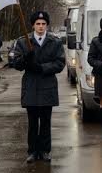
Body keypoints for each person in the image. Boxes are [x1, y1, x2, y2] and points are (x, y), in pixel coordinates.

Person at [13, 11, 65, 163]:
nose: (41, 27)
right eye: (38, 24)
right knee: (32, 121)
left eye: (43, 24)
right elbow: (16, 63)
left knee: (46, 121)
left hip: (47, 86)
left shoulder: (54, 42)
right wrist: (25, 59)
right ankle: (32, 151)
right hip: (31, 86)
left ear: (47, 25)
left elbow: (60, 63)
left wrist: (42, 68)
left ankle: (44, 151)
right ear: (33, 25)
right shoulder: (24, 42)